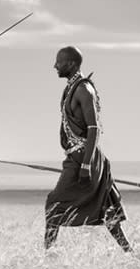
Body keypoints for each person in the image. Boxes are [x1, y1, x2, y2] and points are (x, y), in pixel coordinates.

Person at [44, 46, 132, 252]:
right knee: (107, 209)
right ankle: (130, 252)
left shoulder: (84, 90)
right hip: (79, 156)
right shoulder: (71, 88)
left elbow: (94, 128)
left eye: (59, 61)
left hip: (85, 158)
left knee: (53, 203)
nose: (55, 65)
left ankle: (47, 254)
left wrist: (85, 164)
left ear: (72, 64)